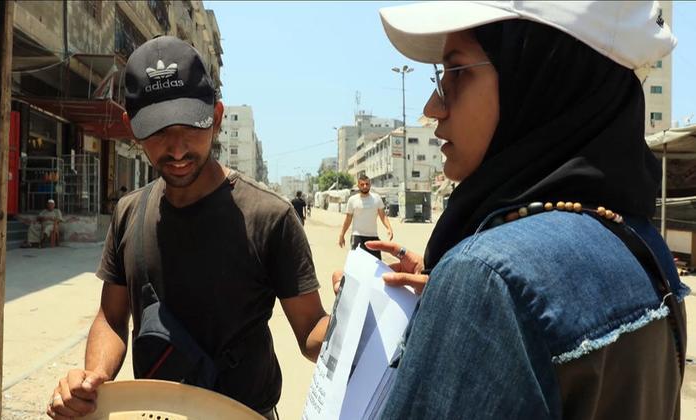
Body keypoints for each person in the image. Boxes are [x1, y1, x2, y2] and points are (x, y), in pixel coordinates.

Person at [345, 2, 688, 418]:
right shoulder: (643, 247)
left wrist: (470, 295)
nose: (433, 106)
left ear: (541, 79)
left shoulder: (490, 279)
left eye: (455, 74)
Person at [47, 36, 329, 420]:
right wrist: (94, 377)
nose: (177, 149)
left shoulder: (270, 216)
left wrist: (358, 324)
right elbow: (112, 317)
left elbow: (311, 329)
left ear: (216, 117)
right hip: (151, 413)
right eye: (159, 131)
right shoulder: (129, 213)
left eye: (191, 127)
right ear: (132, 127)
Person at [337, 174, 393, 259]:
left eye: (367, 184)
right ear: (358, 186)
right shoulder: (352, 200)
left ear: (370, 185)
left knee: (376, 265)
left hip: (373, 236)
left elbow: (383, 216)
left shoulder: (376, 198)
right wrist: (342, 234)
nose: (365, 186)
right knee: (358, 265)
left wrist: (389, 228)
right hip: (357, 237)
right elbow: (348, 219)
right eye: (362, 184)